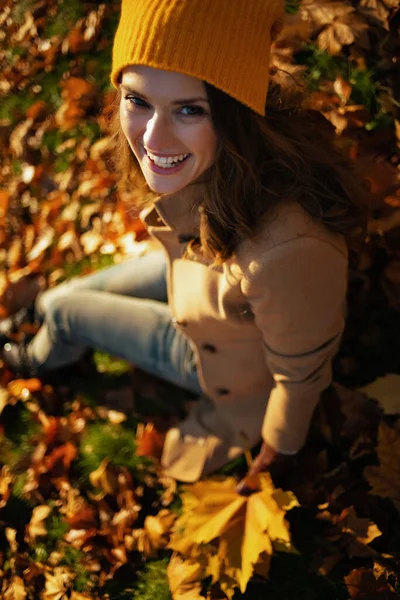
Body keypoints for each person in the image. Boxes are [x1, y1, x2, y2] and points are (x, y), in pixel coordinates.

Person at [2, 0, 365, 490]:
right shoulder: (232, 155)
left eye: (189, 109)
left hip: (218, 352)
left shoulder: (288, 251)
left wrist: (280, 449)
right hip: (201, 276)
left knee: (65, 310)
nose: (153, 136)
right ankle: (37, 317)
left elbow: (302, 374)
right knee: (51, 299)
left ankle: (28, 358)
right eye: (138, 100)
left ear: (235, 112)